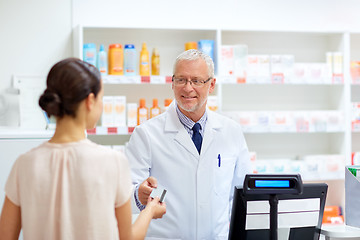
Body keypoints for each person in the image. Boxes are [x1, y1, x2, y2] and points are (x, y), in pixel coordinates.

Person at [0, 58, 166, 240]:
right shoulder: (112, 162)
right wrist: (150, 210)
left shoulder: (25, 163)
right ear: (90, 100)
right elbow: (127, 237)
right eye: (101, 98)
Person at [126, 49, 251, 239]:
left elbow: (243, 194)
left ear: (211, 85)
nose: (187, 88)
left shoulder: (231, 132)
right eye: (181, 80)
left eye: (196, 81)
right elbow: (126, 194)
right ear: (172, 82)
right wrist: (138, 194)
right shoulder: (146, 134)